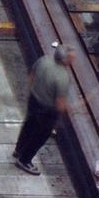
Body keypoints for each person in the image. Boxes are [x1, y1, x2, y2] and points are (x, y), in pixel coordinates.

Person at [12, 43, 75, 175]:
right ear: (65, 60)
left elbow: (31, 76)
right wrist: (70, 110)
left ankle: (19, 149)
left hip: (34, 100)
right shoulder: (63, 77)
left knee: (28, 126)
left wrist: (32, 92)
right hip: (47, 111)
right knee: (40, 136)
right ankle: (24, 160)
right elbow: (59, 104)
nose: (73, 60)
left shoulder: (44, 60)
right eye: (72, 58)